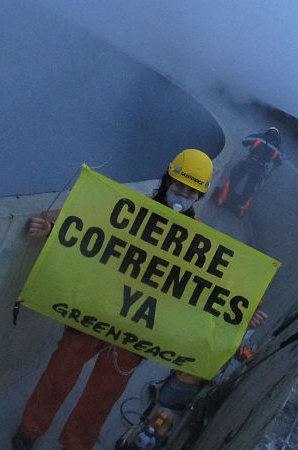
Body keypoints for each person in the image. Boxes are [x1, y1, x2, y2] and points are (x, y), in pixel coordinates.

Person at [13, 149, 236, 450]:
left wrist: (246, 309)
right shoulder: (130, 210)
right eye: (180, 186)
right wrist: (51, 228)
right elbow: (88, 231)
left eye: (191, 190)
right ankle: (30, 429)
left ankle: (75, 444)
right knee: (59, 374)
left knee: (102, 395)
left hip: (135, 330)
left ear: (200, 194)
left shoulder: (197, 241)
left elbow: (208, 287)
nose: (183, 194)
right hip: (95, 310)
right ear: (168, 181)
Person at [217, 127, 283, 212]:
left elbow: (245, 141)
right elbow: (279, 162)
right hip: (260, 168)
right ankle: (240, 208)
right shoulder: (278, 148)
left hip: (249, 161)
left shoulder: (260, 137)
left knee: (234, 178)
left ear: (268, 132)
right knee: (250, 188)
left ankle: (221, 198)